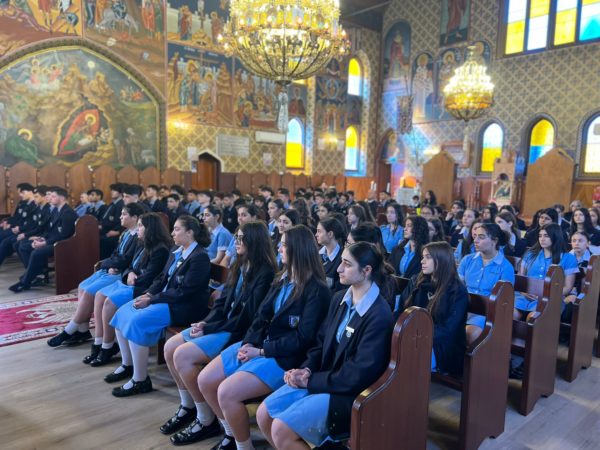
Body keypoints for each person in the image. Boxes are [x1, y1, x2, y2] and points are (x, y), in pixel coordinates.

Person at [196, 225, 331, 450]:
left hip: (284, 357)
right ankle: (230, 436)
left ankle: (243, 446)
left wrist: (260, 351)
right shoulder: (282, 278)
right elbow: (260, 316)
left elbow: (303, 339)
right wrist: (248, 342)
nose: (279, 248)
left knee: (226, 392)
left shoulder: (317, 290)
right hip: (259, 345)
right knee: (205, 380)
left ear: (298, 249)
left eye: (284, 245)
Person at [256, 242, 393, 449]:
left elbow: (356, 374)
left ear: (366, 271)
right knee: (264, 414)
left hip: (349, 395)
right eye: (341, 262)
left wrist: (310, 381)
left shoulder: (379, 315)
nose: (339, 269)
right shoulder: (339, 298)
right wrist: (306, 369)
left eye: (347, 264)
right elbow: (320, 342)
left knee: (280, 429)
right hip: (323, 379)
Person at [161, 222, 277, 445]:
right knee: (169, 347)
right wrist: (205, 322)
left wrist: (211, 328)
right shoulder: (239, 264)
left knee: (182, 356)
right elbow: (223, 301)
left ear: (254, 241)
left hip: (236, 332)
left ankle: (206, 420)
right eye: (236, 237)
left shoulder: (265, 272)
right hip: (221, 324)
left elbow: (248, 317)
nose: (236, 242)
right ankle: (189, 407)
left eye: (241, 238)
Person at [106, 216, 212, 397]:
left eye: (177, 229)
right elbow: (162, 278)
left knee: (137, 322)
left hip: (183, 306)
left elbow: (184, 292)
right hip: (166, 299)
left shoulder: (199, 257)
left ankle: (140, 380)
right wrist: (148, 294)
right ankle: (127, 365)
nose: (172, 233)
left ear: (190, 232)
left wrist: (152, 299)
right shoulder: (176, 250)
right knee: (122, 313)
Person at [47, 203, 144, 348]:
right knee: (82, 286)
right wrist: (107, 264)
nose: (120, 217)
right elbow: (116, 254)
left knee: (89, 292)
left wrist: (108, 264)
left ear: (135, 217)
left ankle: (70, 329)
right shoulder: (125, 233)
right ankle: (83, 330)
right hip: (111, 268)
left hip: (120, 273)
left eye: (124, 214)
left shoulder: (138, 236)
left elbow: (125, 260)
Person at [86, 213, 172, 366]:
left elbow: (150, 276)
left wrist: (132, 278)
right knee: (99, 295)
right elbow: (130, 266)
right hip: (129, 282)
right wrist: (130, 273)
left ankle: (107, 346)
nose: (138, 229)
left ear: (150, 228)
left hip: (140, 288)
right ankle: (99, 342)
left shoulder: (160, 249)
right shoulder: (142, 242)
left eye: (141, 226)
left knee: (109, 303)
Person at [401, 241, 468, 375]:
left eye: (428, 257)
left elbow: (448, 329)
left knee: (410, 356)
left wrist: (416, 337)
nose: (422, 261)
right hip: (415, 336)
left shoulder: (457, 290)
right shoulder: (417, 281)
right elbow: (402, 309)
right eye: (423, 257)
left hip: (442, 345)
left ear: (441, 260)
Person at [11, 187, 78, 293]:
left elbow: (63, 235)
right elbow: (51, 231)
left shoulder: (67, 213)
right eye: (50, 196)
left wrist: (44, 243)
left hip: (64, 244)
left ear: (62, 198)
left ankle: (25, 282)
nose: (50, 198)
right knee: (24, 246)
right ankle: (34, 275)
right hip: (54, 241)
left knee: (36, 252)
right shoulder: (56, 210)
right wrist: (41, 238)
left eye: (53, 196)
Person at [458, 223, 515, 344]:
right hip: (462, 306)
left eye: (481, 237)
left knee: (470, 333)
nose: (476, 240)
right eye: (475, 236)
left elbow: (504, 300)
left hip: (486, 312)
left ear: (494, 241)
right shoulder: (467, 260)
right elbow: (457, 286)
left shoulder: (505, 267)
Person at [515, 223, 578, 316]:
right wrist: (523, 292)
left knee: (534, 317)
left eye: (546, 236)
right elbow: (521, 277)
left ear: (555, 237)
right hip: (524, 296)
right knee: (509, 312)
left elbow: (567, 287)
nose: (542, 239)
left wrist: (546, 295)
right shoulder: (530, 254)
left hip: (551, 299)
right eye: (540, 236)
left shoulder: (568, 258)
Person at [221, 204, 259, 268]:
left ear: (253, 217)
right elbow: (227, 258)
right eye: (238, 215)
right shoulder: (238, 233)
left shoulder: (257, 235)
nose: (240, 218)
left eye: (244, 215)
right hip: (232, 269)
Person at [316, 217, 346, 293]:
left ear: (330, 234)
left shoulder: (343, 259)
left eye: (319, 231)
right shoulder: (316, 253)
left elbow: (339, 291)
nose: (316, 234)